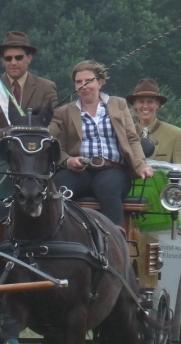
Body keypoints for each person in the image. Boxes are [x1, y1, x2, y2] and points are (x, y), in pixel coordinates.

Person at [49, 60, 153, 227]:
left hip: (112, 169)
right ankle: (61, 235)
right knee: (58, 188)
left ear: (100, 82)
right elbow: (53, 144)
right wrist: (68, 161)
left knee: (107, 188)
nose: (83, 86)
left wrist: (141, 165)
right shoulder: (64, 112)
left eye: (88, 81)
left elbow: (132, 138)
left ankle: (116, 241)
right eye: (79, 82)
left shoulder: (118, 104)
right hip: (79, 170)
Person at [0, 31, 58, 204]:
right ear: (2, 60)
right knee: (3, 185)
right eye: (8, 58)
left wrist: (35, 135)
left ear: (29, 58)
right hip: (5, 156)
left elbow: (56, 123)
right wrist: (9, 133)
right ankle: (1, 222)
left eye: (19, 57)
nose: (13, 62)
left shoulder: (46, 87)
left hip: (38, 155)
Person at [127, 78, 181, 166]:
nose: (145, 106)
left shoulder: (177, 135)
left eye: (150, 102)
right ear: (135, 104)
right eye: (141, 101)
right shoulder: (126, 135)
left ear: (158, 104)